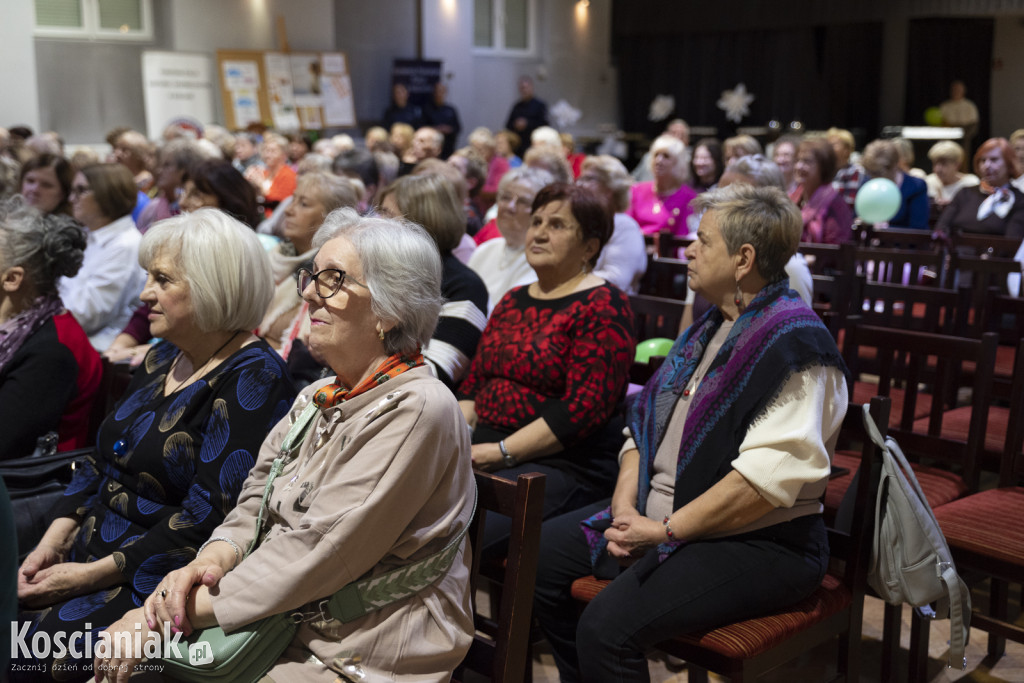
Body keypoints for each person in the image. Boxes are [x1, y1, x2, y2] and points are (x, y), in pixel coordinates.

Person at [98, 211, 475, 681]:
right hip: (282, 612)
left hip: (362, 641)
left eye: (333, 279)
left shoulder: (418, 408)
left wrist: (159, 617)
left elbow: (319, 551)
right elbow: (254, 501)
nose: (311, 292)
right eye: (311, 276)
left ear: (390, 307)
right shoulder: (319, 394)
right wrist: (215, 558)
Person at [532, 183, 848, 681]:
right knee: (538, 558)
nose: (688, 249)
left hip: (762, 543)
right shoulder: (712, 325)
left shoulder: (796, 345)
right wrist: (623, 509)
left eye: (702, 240)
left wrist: (660, 532)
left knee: (605, 629)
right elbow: (641, 429)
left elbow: (762, 483)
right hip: (661, 517)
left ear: (743, 259)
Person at [14, 209, 296, 679]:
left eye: (162, 280)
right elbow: (102, 460)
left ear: (213, 285)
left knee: (31, 657)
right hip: (87, 549)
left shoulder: (255, 375)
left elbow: (207, 517)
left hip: (152, 573)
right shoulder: (165, 353)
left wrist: (86, 576)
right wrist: (52, 540)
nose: (145, 294)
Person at [459, 183, 635, 544]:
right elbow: (474, 384)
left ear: (590, 246)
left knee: (455, 534)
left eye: (557, 225)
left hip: (560, 463)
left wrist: (500, 453)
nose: (538, 232)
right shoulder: (513, 300)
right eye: (536, 221)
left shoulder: (604, 306)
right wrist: (455, 441)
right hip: (486, 449)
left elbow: (581, 411)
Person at [0, 199, 101, 458]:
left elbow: (5, 445)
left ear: (12, 279)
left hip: (21, 489)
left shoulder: (53, 352)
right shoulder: (16, 326)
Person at [378, 174, 488, 388]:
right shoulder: (383, 270)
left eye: (388, 216)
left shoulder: (465, 287)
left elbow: (435, 374)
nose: (376, 225)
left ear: (421, 224)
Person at [259, 172, 359, 358]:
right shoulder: (273, 255)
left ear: (330, 219)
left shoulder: (328, 277)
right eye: (293, 200)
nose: (288, 210)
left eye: (303, 204)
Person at [58, 163, 146, 351]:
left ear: (108, 193)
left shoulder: (126, 245)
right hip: (68, 339)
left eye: (81, 191)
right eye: (72, 190)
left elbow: (85, 314)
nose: (72, 198)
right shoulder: (88, 236)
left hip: (95, 350)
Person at [468, 167, 554, 312]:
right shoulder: (485, 249)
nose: (510, 207)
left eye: (523, 202)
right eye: (506, 198)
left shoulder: (541, 262)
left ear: (540, 212)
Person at [577, 155, 647, 294]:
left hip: (607, 306)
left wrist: (565, 282)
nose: (579, 185)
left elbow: (616, 280)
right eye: (580, 178)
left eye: (588, 179)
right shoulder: (580, 222)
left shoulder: (624, 226)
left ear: (610, 189)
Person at [936, 137, 1024, 238]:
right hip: (956, 252)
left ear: (1009, 164)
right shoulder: (965, 193)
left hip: (994, 252)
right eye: (983, 160)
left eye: (994, 160)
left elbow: (1011, 243)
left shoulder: (1019, 200)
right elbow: (941, 228)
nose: (987, 165)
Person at [627, 134, 698, 236]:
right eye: (656, 155)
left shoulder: (689, 198)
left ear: (678, 163)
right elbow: (625, 228)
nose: (658, 161)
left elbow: (682, 239)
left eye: (666, 156)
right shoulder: (635, 190)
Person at [790, 137, 853, 244]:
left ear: (824, 166)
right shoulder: (793, 198)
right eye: (797, 160)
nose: (799, 166)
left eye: (807, 161)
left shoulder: (835, 203)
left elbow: (835, 250)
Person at [135, 139, 202, 232]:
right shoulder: (154, 206)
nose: (159, 170)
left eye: (167, 165)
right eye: (161, 164)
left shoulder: (197, 207)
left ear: (184, 170)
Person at [860, 139, 929, 229]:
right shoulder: (866, 183)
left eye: (878, 173)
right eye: (870, 172)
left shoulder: (916, 187)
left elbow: (918, 230)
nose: (873, 178)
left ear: (894, 166)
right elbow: (856, 217)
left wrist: (881, 227)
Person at [245, 133, 297, 217]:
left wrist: (261, 185)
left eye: (273, 151)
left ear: (284, 155)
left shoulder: (289, 175)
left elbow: (279, 204)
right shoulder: (264, 172)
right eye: (265, 150)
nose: (267, 155)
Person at [925, 140, 979, 214]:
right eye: (935, 163)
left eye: (944, 164)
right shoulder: (929, 181)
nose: (938, 169)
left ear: (957, 165)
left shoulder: (970, 183)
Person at [632, 119, 689, 183]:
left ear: (687, 141)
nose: (677, 137)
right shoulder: (648, 157)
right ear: (665, 135)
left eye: (682, 135)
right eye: (673, 133)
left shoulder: (690, 162)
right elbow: (633, 178)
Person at [505, 76, 549, 157]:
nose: (524, 90)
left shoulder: (540, 105)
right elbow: (507, 125)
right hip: (518, 147)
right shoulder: (517, 106)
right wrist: (516, 125)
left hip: (533, 144)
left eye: (526, 87)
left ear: (531, 87)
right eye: (522, 88)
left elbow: (545, 125)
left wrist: (527, 124)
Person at [827, 127, 865, 210]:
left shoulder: (854, 171)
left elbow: (849, 203)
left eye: (834, 145)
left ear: (846, 150)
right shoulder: (825, 170)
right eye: (828, 144)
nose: (829, 148)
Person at [940, 80, 979, 156]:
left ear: (964, 91)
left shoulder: (969, 106)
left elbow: (974, 124)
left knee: (963, 157)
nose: (956, 92)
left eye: (958, 90)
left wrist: (965, 135)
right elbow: (941, 123)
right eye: (954, 89)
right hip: (947, 136)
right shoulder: (945, 106)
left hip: (965, 136)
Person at [424, 81, 462, 159]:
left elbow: (458, 128)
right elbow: (422, 127)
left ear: (445, 92)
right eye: (437, 91)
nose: (439, 94)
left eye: (441, 91)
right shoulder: (427, 109)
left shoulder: (451, 110)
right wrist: (436, 129)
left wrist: (448, 129)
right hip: (431, 149)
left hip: (448, 148)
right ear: (434, 93)